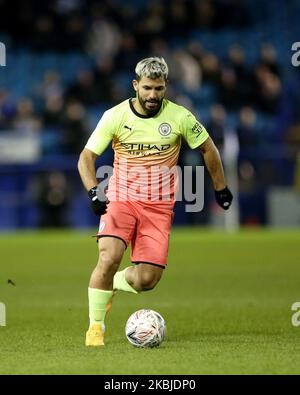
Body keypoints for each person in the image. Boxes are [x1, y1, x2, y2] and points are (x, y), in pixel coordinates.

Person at [77, 57, 233, 346]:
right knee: (108, 257)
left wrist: (220, 187)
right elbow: (86, 158)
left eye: (158, 89)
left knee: (147, 280)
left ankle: (113, 283)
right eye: (147, 88)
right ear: (135, 85)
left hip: (159, 206)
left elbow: (208, 149)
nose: (152, 95)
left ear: (166, 87)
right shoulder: (115, 116)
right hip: (121, 198)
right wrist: (93, 191)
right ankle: (95, 328)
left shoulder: (180, 117)